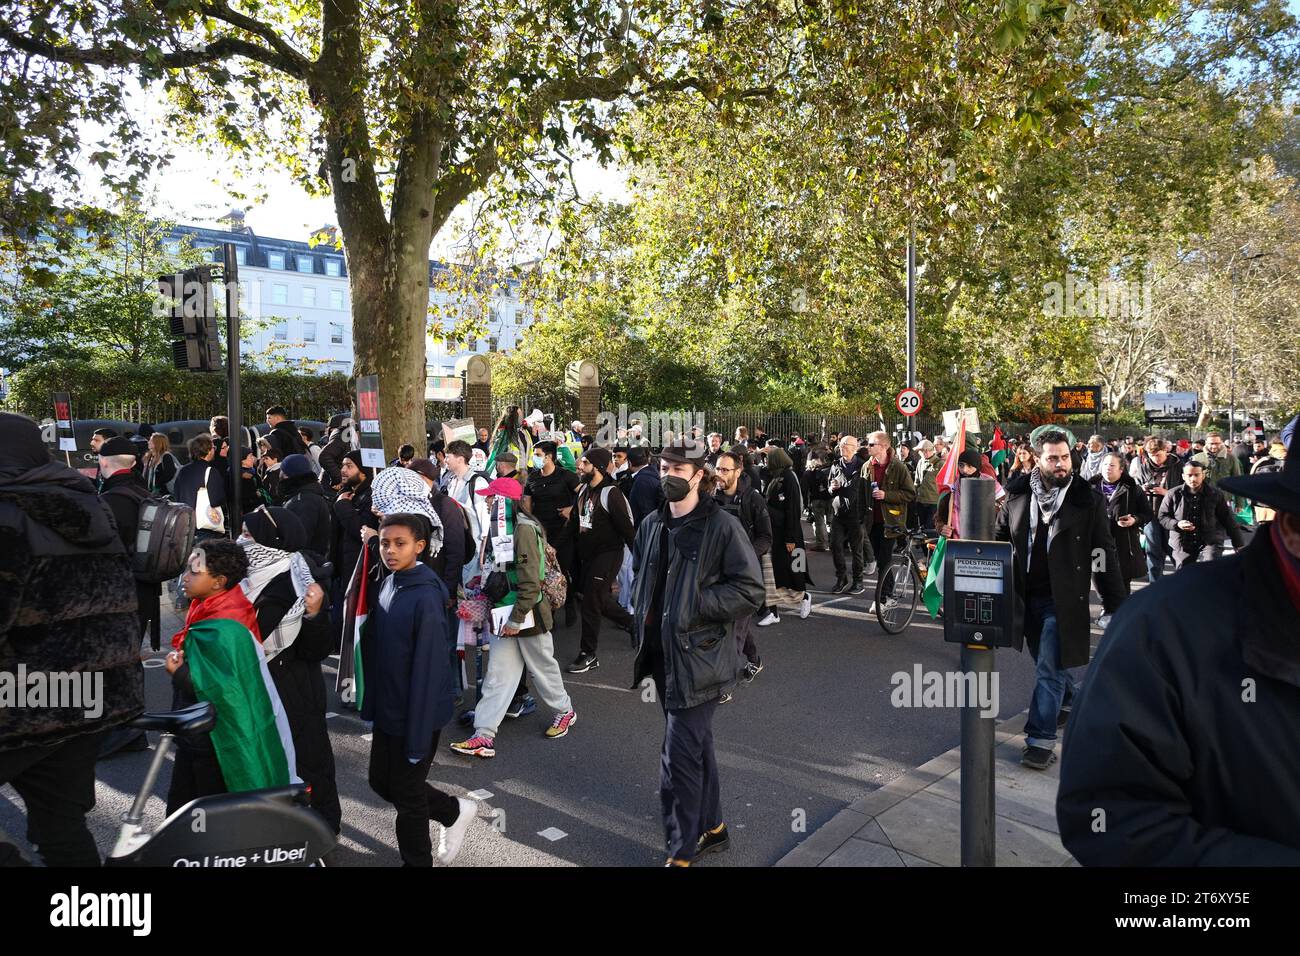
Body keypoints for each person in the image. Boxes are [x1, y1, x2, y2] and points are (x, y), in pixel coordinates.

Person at [1056, 447, 1300, 865]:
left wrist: (1231, 541)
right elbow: (1110, 818)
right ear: (1293, 528)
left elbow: (1223, 521)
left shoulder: (1214, 498)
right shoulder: (1161, 630)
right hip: (1177, 553)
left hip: (1208, 545)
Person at [0, 413, 144, 866]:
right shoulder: (86, 503)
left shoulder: (8, 513)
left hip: (22, 698)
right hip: (92, 696)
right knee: (61, 826)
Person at [630, 439, 765, 866]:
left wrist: (698, 604)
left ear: (699, 477)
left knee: (677, 758)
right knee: (696, 746)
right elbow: (643, 574)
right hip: (660, 655)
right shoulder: (652, 523)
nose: (668, 475)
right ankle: (714, 827)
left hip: (702, 660)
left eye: (678, 469)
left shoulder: (722, 526)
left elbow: (750, 589)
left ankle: (681, 849)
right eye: (664, 466)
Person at [995, 429, 1126, 771]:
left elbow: (1103, 552)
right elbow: (998, 542)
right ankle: (1070, 699)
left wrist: (1116, 603)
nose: (1061, 464)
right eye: (1053, 458)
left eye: (1065, 457)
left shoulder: (1087, 499)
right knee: (1046, 661)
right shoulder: (1016, 496)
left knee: (1048, 668)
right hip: (1026, 596)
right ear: (1037, 459)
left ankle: (1040, 739)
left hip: (1064, 599)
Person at [361, 514, 477, 866]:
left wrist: (416, 737)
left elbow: (427, 671)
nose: (390, 551)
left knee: (408, 796)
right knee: (382, 783)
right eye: (385, 543)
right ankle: (454, 810)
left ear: (420, 547)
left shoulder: (425, 597)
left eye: (400, 544)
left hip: (418, 712)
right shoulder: (390, 580)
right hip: (390, 707)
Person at [450, 479, 577, 759]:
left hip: (525, 616)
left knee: (542, 668)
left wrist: (515, 619)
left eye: (491, 498)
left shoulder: (523, 529)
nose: (486, 502)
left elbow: (531, 581)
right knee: (498, 675)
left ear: (505, 501)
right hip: (506, 614)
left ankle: (564, 711)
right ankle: (483, 734)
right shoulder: (504, 528)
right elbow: (504, 570)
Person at [237, 507, 342, 836]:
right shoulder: (241, 577)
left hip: (295, 690)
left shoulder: (299, 579)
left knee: (308, 763)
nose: (241, 540)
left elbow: (317, 648)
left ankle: (321, 832)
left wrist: (313, 615)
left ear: (271, 540)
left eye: (249, 535)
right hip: (258, 691)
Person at [567, 447, 635, 673]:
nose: (579, 467)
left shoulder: (610, 493)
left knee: (591, 601)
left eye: (584, 463)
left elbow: (627, 529)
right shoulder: (584, 490)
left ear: (596, 467)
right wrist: (553, 546)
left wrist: (641, 559)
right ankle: (633, 624)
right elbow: (574, 524)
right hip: (588, 555)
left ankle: (588, 654)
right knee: (597, 598)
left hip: (609, 553)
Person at [98, 437, 165, 659]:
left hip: (119, 592)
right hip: (147, 587)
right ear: (134, 463)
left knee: (114, 658)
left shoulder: (108, 501)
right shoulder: (144, 494)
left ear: (104, 462)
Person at [714, 450, 771, 691]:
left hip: (745, 578)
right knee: (733, 625)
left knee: (735, 631)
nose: (719, 474)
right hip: (717, 574)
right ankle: (755, 660)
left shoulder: (753, 499)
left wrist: (745, 556)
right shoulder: (710, 496)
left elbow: (766, 537)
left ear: (738, 472)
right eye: (717, 468)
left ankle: (722, 685)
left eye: (725, 470)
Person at [757, 445, 812, 625]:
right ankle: (773, 611)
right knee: (774, 572)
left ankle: (804, 597)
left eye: (768, 459)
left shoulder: (788, 477)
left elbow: (793, 508)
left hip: (789, 533)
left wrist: (790, 538)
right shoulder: (776, 476)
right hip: (776, 532)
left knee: (795, 569)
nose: (766, 462)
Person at [1158, 459, 1245, 570]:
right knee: (1185, 574)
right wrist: (1177, 524)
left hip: (1210, 538)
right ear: (1183, 476)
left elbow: (1227, 519)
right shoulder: (1173, 494)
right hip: (1183, 540)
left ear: (1203, 475)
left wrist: (1238, 543)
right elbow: (1163, 517)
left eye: (1196, 475)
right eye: (1189, 475)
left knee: (1210, 569)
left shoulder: (1215, 494)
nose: (1193, 479)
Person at [1088, 452, 1154, 597]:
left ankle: (1121, 610)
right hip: (1097, 544)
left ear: (1121, 469)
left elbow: (1147, 514)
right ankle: (1106, 607)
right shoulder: (1089, 488)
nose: (1107, 468)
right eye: (1105, 464)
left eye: (1112, 465)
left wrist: (1134, 520)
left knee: (1122, 581)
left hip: (1123, 544)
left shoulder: (1133, 489)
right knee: (1099, 577)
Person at [862, 431, 916, 607]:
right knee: (880, 560)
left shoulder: (898, 467)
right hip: (872, 521)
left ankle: (883, 599)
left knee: (884, 560)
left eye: (872, 444)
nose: (868, 447)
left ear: (884, 446)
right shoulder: (867, 466)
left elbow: (909, 494)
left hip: (891, 522)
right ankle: (890, 594)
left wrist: (887, 495)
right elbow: (861, 492)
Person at [1129, 437, 1182, 581]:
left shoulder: (1178, 465)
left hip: (1172, 515)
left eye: (1158, 455)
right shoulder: (1141, 465)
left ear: (1165, 450)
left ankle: (1184, 582)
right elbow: (1132, 485)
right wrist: (1141, 488)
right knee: (1153, 550)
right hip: (1149, 514)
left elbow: (1186, 489)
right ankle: (1155, 586)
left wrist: (1166, 492)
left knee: (1174, 549)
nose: (1155, 458)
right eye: (1151, 455)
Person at [332, 450, 378, 591]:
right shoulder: (346, 493)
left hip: (359, 569)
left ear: (363, 471)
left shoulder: (373, 496)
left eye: (349, 466)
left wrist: (343, 506)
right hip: (342, 566)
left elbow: (362, 530)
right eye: (343, 466)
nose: (343, 470)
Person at [828, 435, 869, 593]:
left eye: (846, 445)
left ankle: (858, 582)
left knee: (856, 549)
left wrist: (839, 487)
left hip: (856, 513)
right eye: (841, 444)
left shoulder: (862, 466)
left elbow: (853, 491)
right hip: (839, 512)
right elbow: (830, 488)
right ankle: (841, 577)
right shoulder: (835, 464)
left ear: (855, 448)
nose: (842, 447)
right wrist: (832, 488)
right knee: (835, 545)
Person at [280, 453, 333, 559]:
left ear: (288, 474)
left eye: (282, 471)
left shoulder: (303, 501)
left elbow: (298, 540)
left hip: (307, 565)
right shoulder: (306, 495)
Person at [801, 446, 832, 549]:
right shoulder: (827, 469)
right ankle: (833, 543)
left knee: (819, 522)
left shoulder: (807, 473)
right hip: (829, 497)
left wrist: (805, 504)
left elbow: (804, 490)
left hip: (816, 499)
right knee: (831, 522)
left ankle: (821, 544)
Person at [911, 439, 940, 531]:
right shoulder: (920, 462)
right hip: (921, 501)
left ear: (927, 450)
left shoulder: (940, 464)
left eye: (921, 450)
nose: (919, 453)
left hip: (934, 503)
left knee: (930, 529)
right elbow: (917, 481)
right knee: (922, 529)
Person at [142, 433, 180, 497]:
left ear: (157, 443)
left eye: (151, 441)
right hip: (150, 492)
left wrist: (157, 487)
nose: (148, 442)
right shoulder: (149, 456)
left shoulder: (166, 456)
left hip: (164, 494)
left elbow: (169, 474)